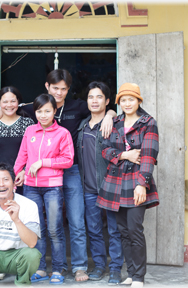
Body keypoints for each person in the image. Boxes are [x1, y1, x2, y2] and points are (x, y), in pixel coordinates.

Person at [0, 69, 116, 282]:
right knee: (38, 224)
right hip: (36, 176)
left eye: (63, 89)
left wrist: (109, 115)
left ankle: (78, 266)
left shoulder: (78, 106)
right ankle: (40, 266)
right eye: (55, 88)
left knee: (75, 220)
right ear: (47, 87)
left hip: (69, 171)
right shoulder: (36, 109)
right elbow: (8, 108)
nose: (59, 92)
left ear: (68, 90)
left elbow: (104, 108)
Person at [96, 83, 160, 288]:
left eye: (131, 99)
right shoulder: (115, 122)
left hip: (136, 181)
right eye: (123, 100)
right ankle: (131, 273)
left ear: (138, 101)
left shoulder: (148, 122)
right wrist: (124, 155)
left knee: (134, 229)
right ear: (119, 103)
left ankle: (139, 276)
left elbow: (149, 156)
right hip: (115, 182)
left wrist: (142, 184)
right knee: (123, 230)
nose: (127, 103)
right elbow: (105, 150)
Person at [14, 93, 74, 285]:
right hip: (31, 187)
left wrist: (43, 162)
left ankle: (58, 268)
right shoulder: (30, 131)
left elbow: (68, 159)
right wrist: (18, 172)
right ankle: (39, 268)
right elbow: (22, 155)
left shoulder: (62, 133)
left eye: (47, 111)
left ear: (55, 111)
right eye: (39, 111)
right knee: (36, 229)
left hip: (52, 187)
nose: (43, 115)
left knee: (55, 229)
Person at [76, 81, 123, 284]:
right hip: (88, 188)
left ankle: (115, 268)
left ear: (107, 100)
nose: (94, 101)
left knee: (114, 230)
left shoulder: (116, 124)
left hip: (110, 186)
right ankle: (99, 266)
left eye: (99, 97)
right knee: (94, 230)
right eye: (90, 97)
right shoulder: (82, 126)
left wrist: (111, 115)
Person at [0, 86, 34, 196]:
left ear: (18, 102)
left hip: (21, 179)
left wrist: (24, 171)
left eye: (13, 101)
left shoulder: (28, 124)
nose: (9, 105)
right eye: (5, 101)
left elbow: (33, 152)